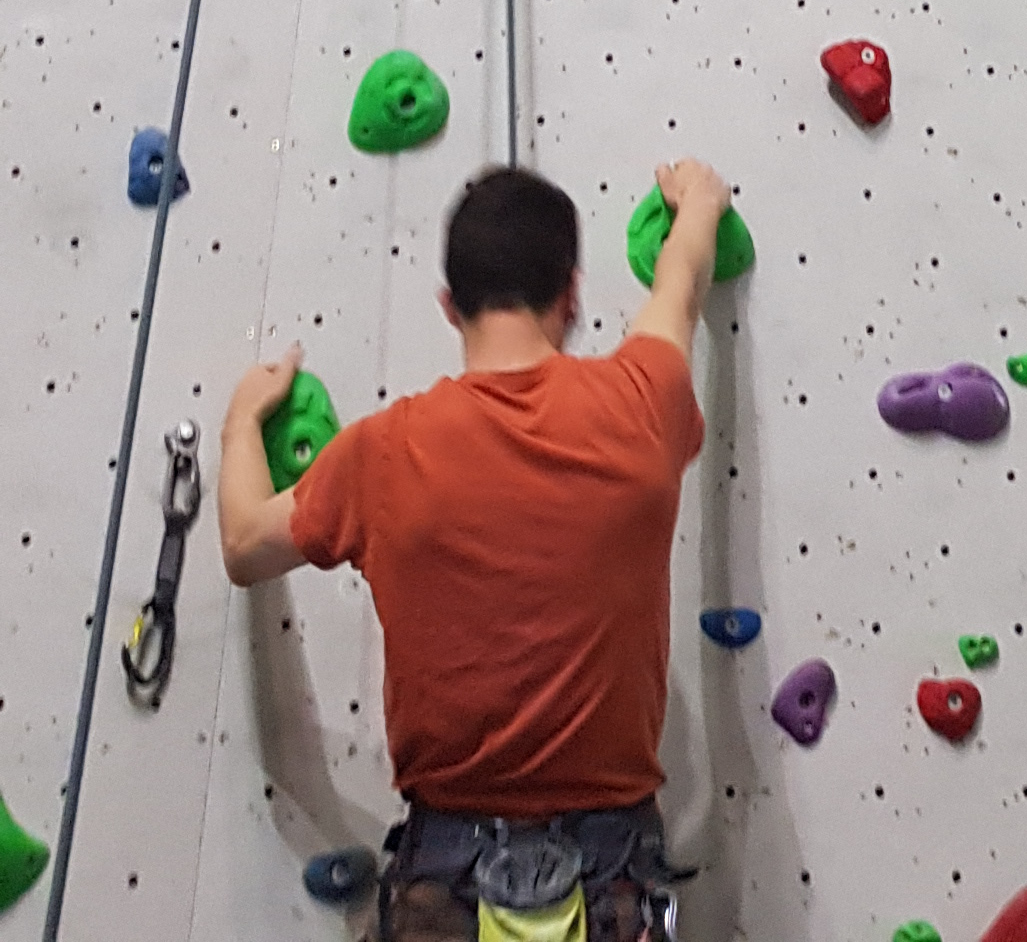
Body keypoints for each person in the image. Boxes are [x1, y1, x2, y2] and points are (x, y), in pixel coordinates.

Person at [218, 155, 731, 938]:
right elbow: (680, 287)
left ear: (449, 306)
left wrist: (241, 422)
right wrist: (696, 202)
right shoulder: (641, 402)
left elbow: (245, 543)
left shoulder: (383, 453)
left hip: (445, 878)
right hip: (613, 872)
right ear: (571, 294)